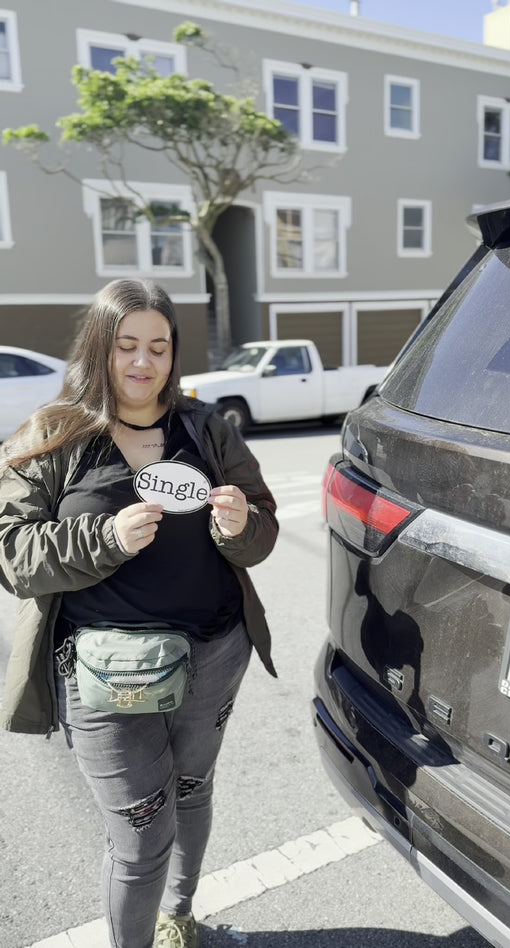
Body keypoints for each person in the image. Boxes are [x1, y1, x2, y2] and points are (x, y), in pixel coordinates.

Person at [0, 278, 278, 948]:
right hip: (105, 673)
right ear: (100, 347)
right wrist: (106, 540)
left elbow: (262, 529)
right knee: (141, 833)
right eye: (127, 345)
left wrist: (239, 524)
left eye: (158, 346)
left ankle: (178, 918)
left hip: (213, 652)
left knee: (190, 791)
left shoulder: (205, 429)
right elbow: (11, 552)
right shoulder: (52, 436)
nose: (143, 363)